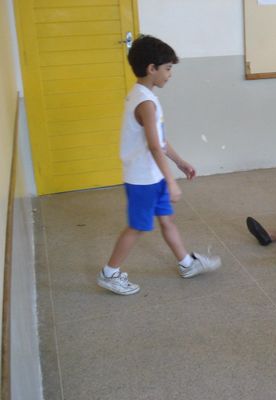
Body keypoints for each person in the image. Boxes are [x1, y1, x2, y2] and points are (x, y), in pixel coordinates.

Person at [97, 35, 221, 295]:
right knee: (138, 226)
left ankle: (186, 264)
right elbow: (154, 146)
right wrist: (172, 181)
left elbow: (161, 142)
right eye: (167, 69)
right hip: (142, 180)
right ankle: (109, 273)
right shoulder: (145, 103)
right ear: (151, 69)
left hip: (154, 176)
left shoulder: (145, 96)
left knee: (167, 221)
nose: (170, 74)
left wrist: (180, 163)